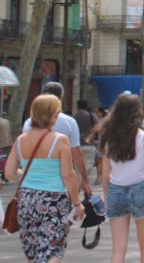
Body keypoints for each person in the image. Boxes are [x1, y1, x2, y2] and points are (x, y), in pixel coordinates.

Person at [4, 94, 84, 262]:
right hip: (52, 199)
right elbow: (68, 174)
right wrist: (77, 203)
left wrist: (29, 174)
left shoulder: (20, 140)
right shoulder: (60, 140)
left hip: (26, 198)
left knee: (32, 250)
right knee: (54, 249)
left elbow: (9, 173)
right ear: (54, 114)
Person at [99, 93, 144, 263]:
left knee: (119, 248)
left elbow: (105, 175)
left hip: (116, 190)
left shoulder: (108, 139)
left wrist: (107, 197)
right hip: (140, 189)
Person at [23, 81, 91, 195]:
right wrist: (84, 179)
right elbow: (76, 154)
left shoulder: (28, 123)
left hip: (32, 183)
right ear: (61, 98)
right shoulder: (69, 122)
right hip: (59, 183)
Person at [74, 98, 98, 176]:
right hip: (90, 144)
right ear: (87, 106)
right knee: (90, 162)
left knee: (77, 165)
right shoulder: (91, 116)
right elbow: (98, 127)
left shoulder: (74, 117)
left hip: (77, 145)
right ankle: (83, 178)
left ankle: (80, 179)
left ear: (77, 106)